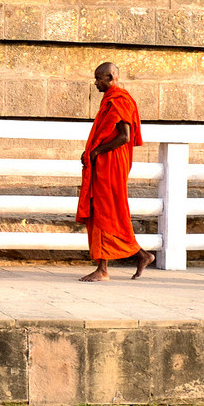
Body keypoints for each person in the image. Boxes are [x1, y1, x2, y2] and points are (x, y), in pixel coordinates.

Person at [77, 62, 154, 282]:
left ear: (111, 77)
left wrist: (97, 151)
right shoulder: (111, 99)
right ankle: (142, 255)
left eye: (99, 78)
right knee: (104, 210)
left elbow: (124, 136)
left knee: (106, 211)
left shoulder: (119, 100)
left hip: (111, 163)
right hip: (105, 161)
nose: (95, 83)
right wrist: (90, 151)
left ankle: (103, 269)